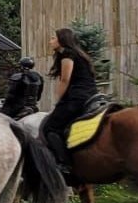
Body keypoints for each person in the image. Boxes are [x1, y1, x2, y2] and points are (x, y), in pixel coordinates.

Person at [40, 29, 97, 172]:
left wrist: (58, 102)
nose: (50, 41)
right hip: (90, 94)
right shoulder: (79, 54)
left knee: (50, 127)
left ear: (62, 40)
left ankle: (64, 163)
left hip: (77, 97)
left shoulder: (67, 54)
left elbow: (65, 79)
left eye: (53, 38)